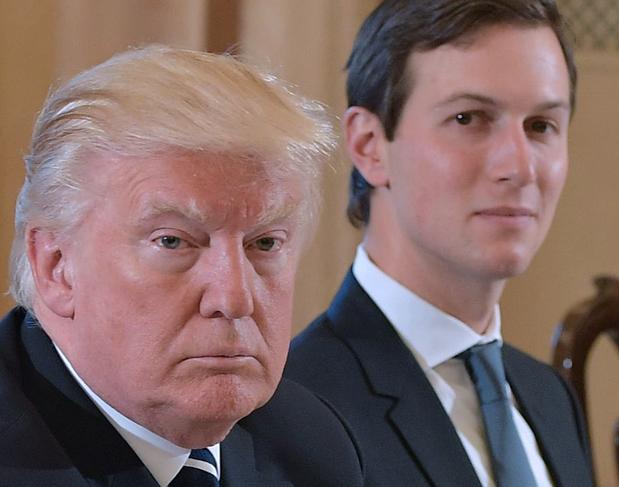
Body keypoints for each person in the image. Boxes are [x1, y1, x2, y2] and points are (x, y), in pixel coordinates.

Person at [0, 45, 364, 487]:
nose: (233, 297)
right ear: (56, 266)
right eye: (173, 242)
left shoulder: (309, 442)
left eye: (264, 242)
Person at [285, 1, 594, 486]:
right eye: (469, 119)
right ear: (369, 145)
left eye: (541, 126)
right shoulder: (294, 409)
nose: (520, 166)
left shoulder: (551, 397)